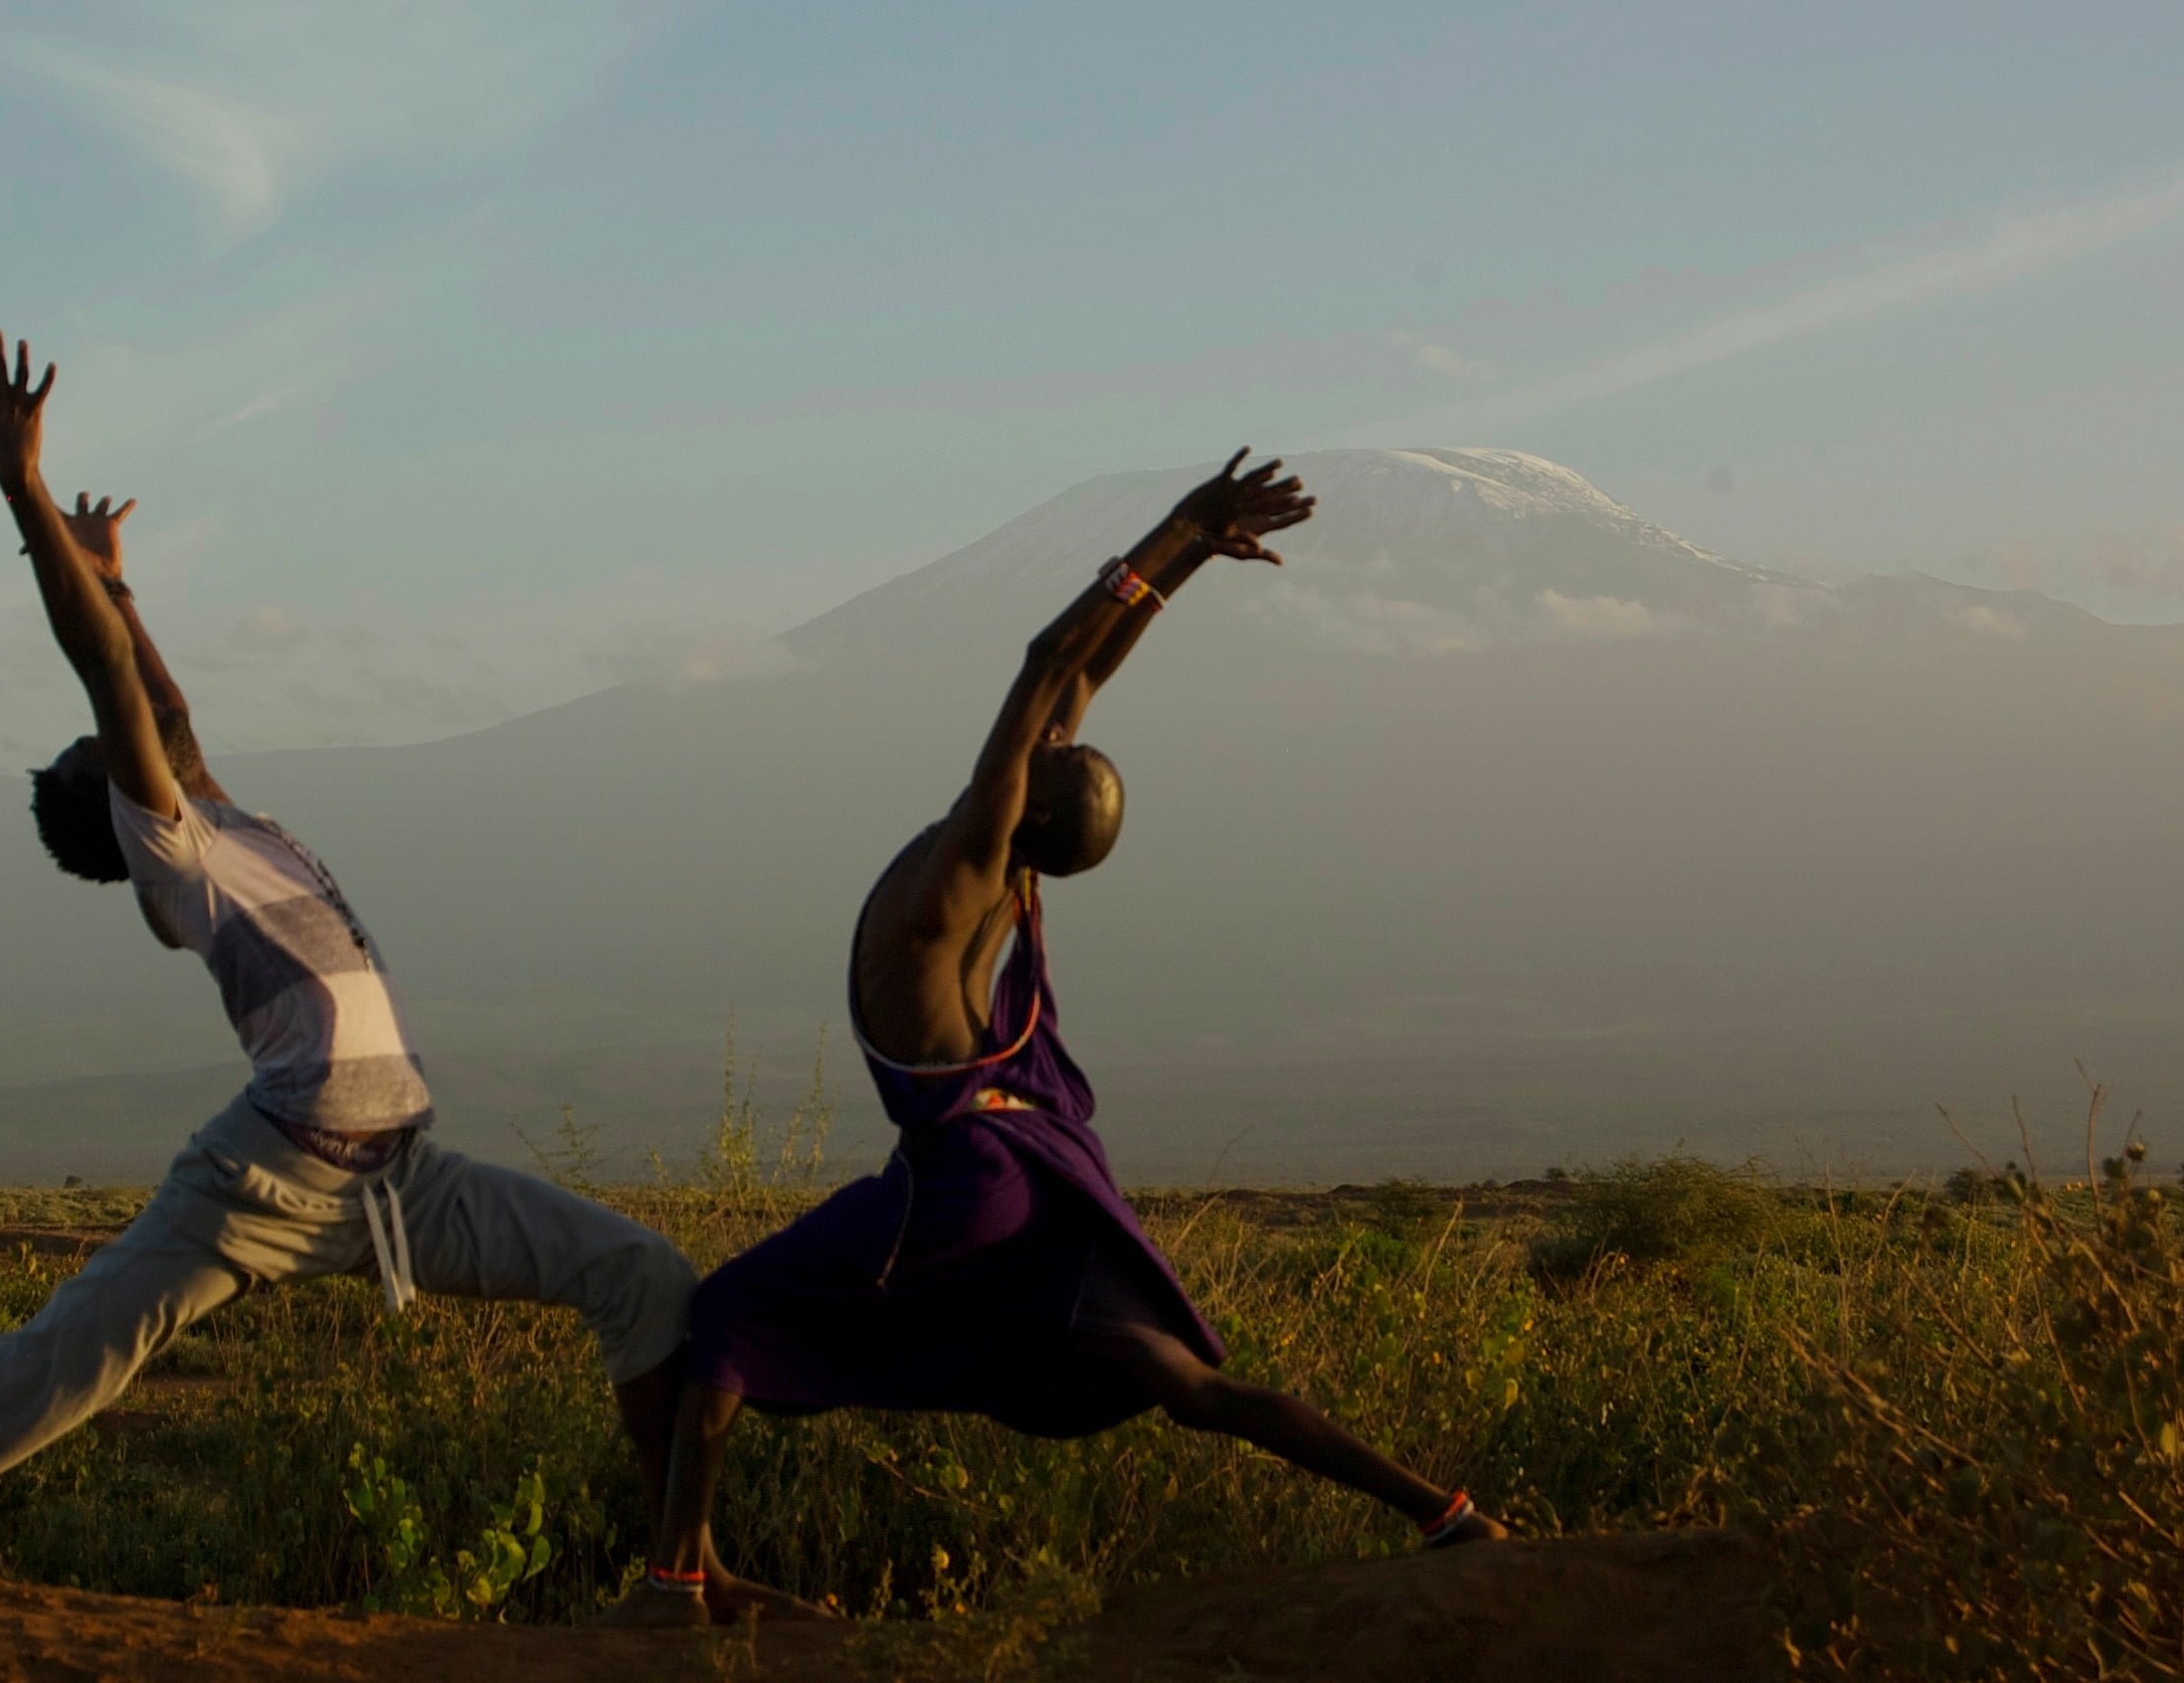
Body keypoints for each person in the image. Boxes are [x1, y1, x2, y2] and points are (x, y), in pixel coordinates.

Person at [0, 332, 806, 1620]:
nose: (135, 741)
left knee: (644, 1276)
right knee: (61, 1364)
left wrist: (124, 583)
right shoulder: (175, 856)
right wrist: (23, 492)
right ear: (107, 806)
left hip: (405, 1182)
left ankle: (682, 1576)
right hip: (261, 1182)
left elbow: (158, 701)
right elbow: (111, 683)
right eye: (102, 752)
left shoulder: (228, 822)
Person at [597, 451, 1507, 1625]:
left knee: (723, 1314)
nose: (1050, 738)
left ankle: (680, 1579)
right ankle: (1444, 1515)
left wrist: (1176, 521)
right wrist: (1182, 567)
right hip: (1044, 1173)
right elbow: (1080, 680)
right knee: (1181, 1382)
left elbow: (1044, 662)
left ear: (1023, 801)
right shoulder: (1017, 871)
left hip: (963, 1179)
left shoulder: (963, 867)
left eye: (1046, 758)